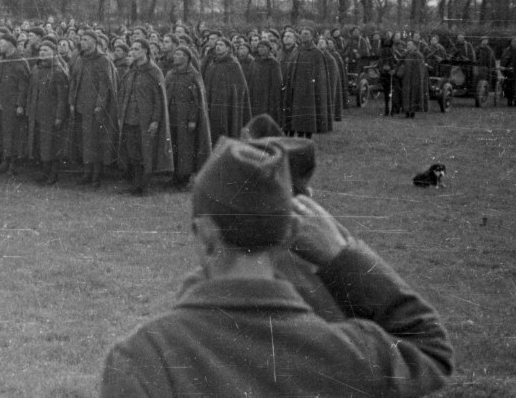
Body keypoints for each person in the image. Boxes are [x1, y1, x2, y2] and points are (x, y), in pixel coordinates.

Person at [100, 137, 454, 397]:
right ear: (290, 237)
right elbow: (431, 347)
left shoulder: (144, 358)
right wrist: (341, 255)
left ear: (206, 237)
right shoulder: (348, 351)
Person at [114, 40, 173, 195]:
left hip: (146, 120)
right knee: (133, 153)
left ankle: (142, 186)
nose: (133, 51)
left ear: (146, 51)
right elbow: (122, 94)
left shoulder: (154, 72)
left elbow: (160, 99)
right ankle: (135, 183)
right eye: (132, 48)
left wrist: (155, 120)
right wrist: (121, 115)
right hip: (129, 118)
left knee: (145, 152)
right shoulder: (131, 71)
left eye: (137, 49)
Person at [69, 31, 116, 187]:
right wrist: (72, 102)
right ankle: (86, 172)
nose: (82, 42)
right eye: (81, 39)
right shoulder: (80, 59)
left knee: (95, 142)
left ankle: (95, 176)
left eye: (86, 39)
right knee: (85, 141)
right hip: (81, 107)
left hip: (95, 109)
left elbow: (105, 86)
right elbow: (74, 81)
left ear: (95, 42)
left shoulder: (103, 60)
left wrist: (99, 105)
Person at [164, 45, 212, 188]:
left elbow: (197, 100)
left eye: (178, 54)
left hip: (186, 118)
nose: (175, 56)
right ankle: (175, 175)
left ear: (186, 57)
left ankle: (184, 178)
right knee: (174, 146)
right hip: (172, 116)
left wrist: (192, 119)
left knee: (186, 148)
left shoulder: (193, 75)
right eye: (175, 53)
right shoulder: (171, 73)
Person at [25, 39, 68, 185]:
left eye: (46, 50)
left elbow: (62, 97)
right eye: (41, 50)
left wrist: (59, 116)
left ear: (54, 53)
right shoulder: (36, 69)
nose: (42, 53)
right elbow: (31, 91)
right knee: (41, 145)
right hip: (37, 113)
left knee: (51, 145)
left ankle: (53, 174)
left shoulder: (58, 71)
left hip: (51, 115)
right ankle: (45, 171)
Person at [0, 32, 31, 175]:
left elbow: (24, 86)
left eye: (2, 43)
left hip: (12, 105)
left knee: (13, 135)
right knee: (1, 134)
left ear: (11, 44)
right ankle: (4, 161)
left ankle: (13, 163)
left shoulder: (20, 62)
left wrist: (20, 104)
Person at [281, 27, 331, 138]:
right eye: (302, 34)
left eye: (307, 34)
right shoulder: (297, 50)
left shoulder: (316, 53)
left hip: (309, 89)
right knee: (295, 111)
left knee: (307, 111)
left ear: (312, 36)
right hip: (295, 87)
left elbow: (320, 74)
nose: (304, 36)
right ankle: (296, 131)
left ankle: (307, 133)